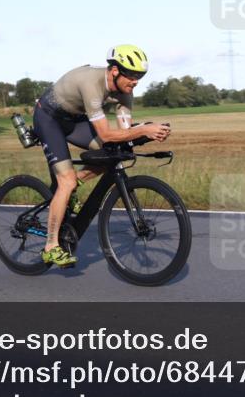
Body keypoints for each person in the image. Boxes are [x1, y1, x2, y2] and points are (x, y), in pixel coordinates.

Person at [32, 44, 171, 267]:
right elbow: (106, 135)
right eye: (132, 76)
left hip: (73, 120)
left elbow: (124, 134)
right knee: (65, 182)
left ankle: (75, 184)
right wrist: (144, 129)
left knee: (115, 153)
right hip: (49, 119)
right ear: (115, 71)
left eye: (140, 77)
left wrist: (144, 133)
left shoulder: (125, 93)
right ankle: (51, 247)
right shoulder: (92, 85)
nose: (135, 82)